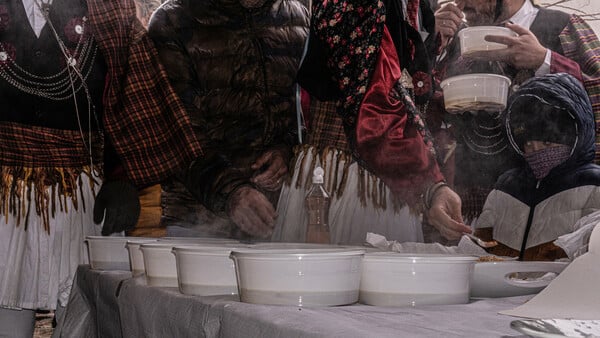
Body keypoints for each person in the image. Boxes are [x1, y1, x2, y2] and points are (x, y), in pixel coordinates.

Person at [0, 0, 201, 336]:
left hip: (84, 196)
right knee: (5, 307)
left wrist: (122, 177)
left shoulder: (109, 7)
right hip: (6, 198)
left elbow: (130, 91)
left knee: (85, 313)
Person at [273, 0, 471, 245]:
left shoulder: (414, 6)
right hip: (346, 183)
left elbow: (404, 88)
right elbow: (374, 112)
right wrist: (430, 185)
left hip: (389, 178)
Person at [147, 0, 309, 240]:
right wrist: (231, 191)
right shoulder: (173, 20)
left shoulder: (299, 19)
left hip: (283, 217)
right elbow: (175, 132)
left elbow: (306, 115)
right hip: (200, 220)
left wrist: (287, 151)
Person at [431, 0, 600, 223]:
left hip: (556, 205)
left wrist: (545, 60)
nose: (461, 2)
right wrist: (433, 44)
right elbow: (425, 109)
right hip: (472, 202)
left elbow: (596, 94)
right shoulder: (458, 37)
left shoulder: (563, 26)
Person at [474, 73, 600, 261]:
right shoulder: (505, 186)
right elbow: (482, 244)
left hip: (564, 287)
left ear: (576, 139)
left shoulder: (594, 185)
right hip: (502, 286)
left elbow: (591, 251)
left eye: (547, 144)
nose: (537, 152)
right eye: (529, 145)